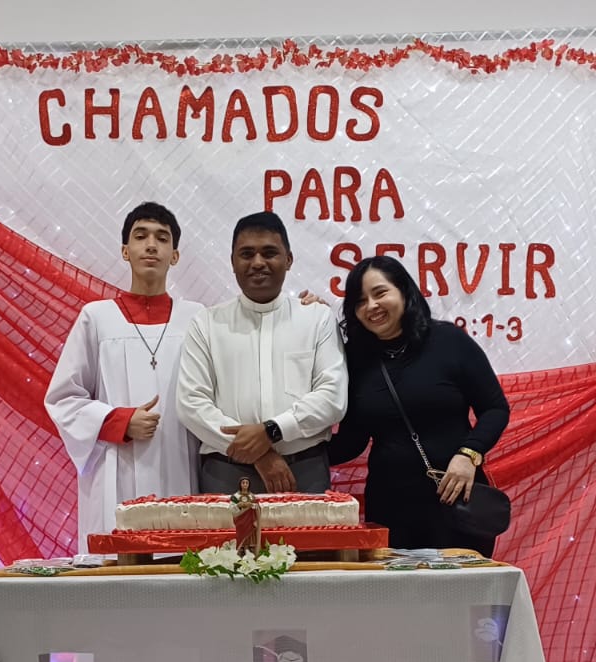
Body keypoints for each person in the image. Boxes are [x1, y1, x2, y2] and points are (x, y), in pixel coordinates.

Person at [45, 202, 203, 550]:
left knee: (180, 562)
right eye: (141, 236)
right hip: (114, 468)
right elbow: (63, 398)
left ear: (175, 255)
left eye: (162, 238)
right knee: (117, 564)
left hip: (180, 465)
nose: (151, 245)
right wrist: (119, 421)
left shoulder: (196, 318)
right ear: (125, 251)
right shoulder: (97, 318)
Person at [328, 256, 510, 555]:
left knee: (464, 585)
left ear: (404, 290)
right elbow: (352, 440)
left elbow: (495, 409)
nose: (371, 306)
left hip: (456, 501)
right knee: (395, 586)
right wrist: (293, 453)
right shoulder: (356, 359)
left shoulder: (448, 340)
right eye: (360, 301)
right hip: (391, 509)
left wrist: (469, 454)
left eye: (380, 293)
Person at [176, 211, 347, 494]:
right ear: (233, 262)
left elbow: (332, 397)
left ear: (288, 259)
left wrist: (272, 431)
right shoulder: (206, 323)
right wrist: (258, 452)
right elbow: (191, 403)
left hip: (304, 470)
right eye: (246, 254)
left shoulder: (317, 318)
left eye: (269, 253)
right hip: (226, 471)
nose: (257, 262)